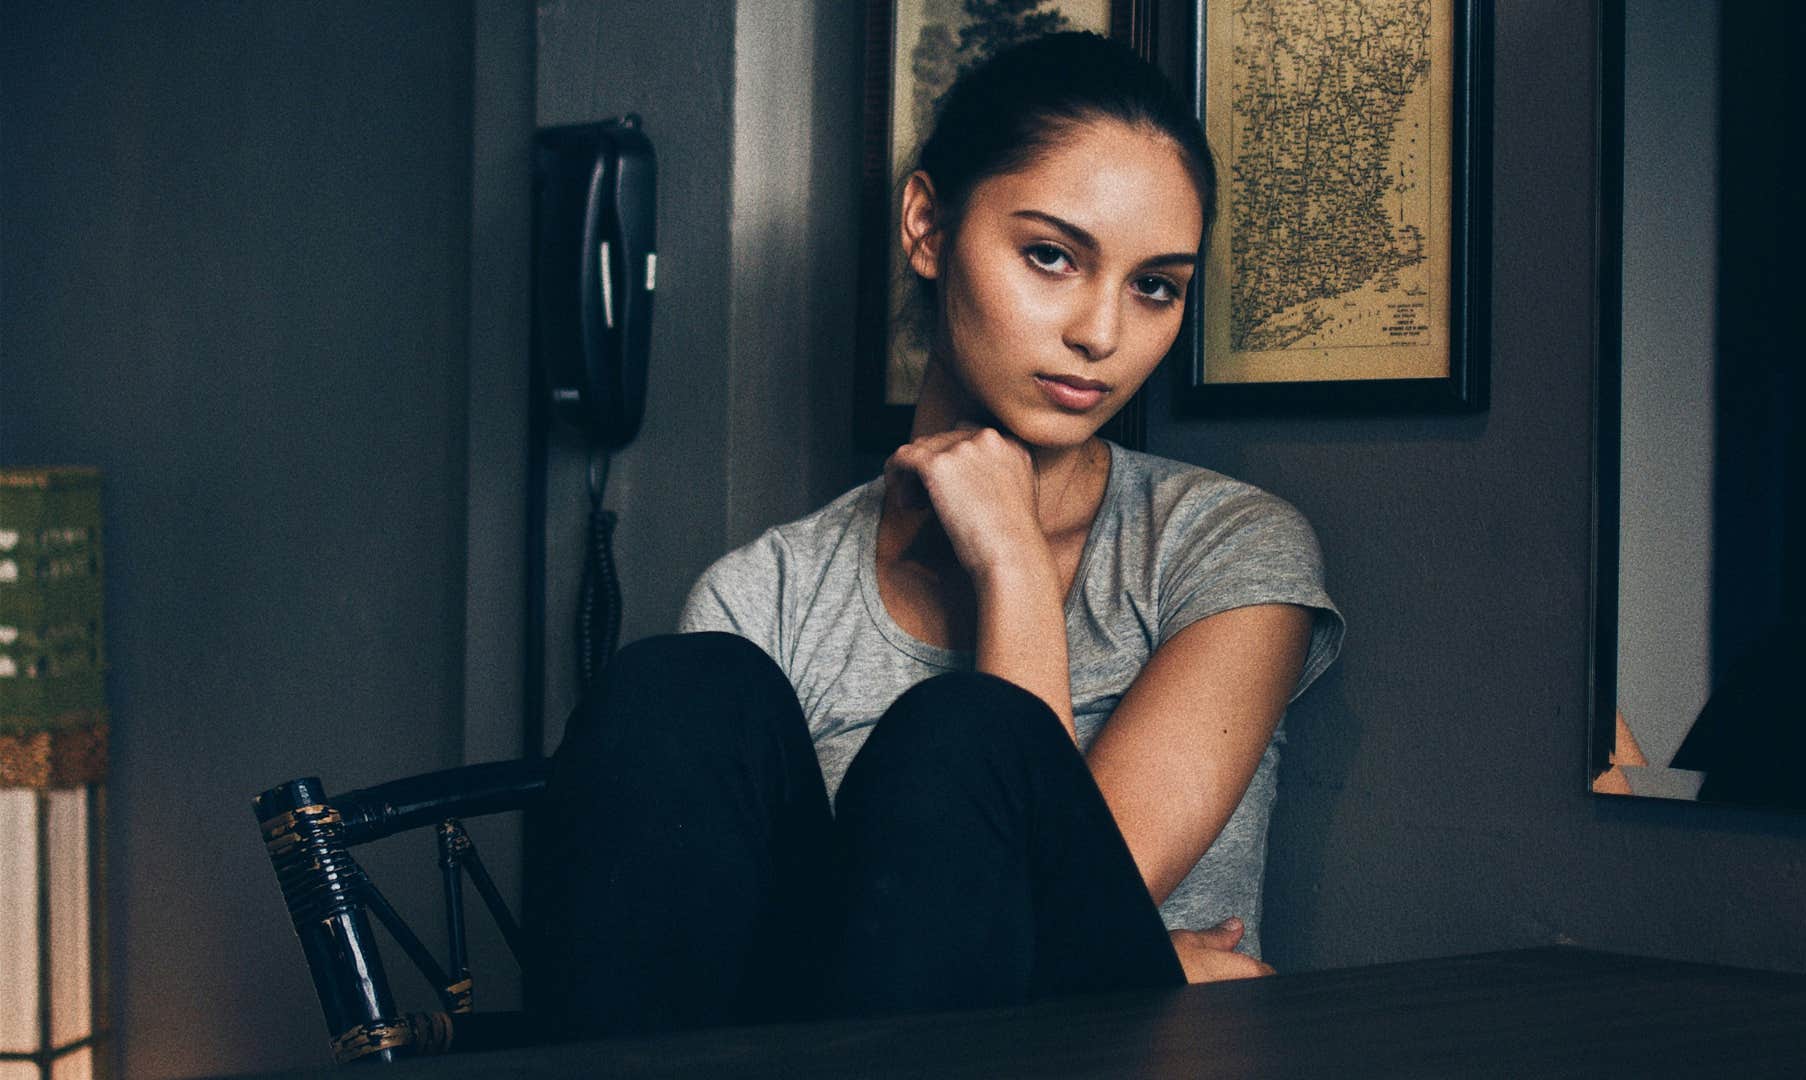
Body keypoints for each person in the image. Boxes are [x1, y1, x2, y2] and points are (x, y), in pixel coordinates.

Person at [526, 31, 1344, 1039]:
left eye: (1155, 286)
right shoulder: (767, 594)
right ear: (927, 225)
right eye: (1051, 256)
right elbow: (717, 958)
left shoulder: (1227, 550)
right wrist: (1160, 963)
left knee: (964, 735)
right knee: (676, 688)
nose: (1101, 332)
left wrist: (1008, 555)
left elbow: (1053, 887)